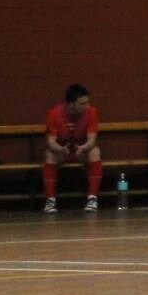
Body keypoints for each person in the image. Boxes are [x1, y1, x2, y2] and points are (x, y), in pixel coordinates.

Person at [43, 84, 101, 213]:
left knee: (95, 152)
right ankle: (50, 200)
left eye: (87, 102)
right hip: (62, 151)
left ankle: (92, 198)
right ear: (71, 104)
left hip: (81, 151)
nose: (87, 106)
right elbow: (50, 141)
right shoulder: (54, 114)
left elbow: (92, 139)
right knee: (49, 155)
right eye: (82, 103)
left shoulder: (92, 112)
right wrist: (60, 149)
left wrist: (83, 148)